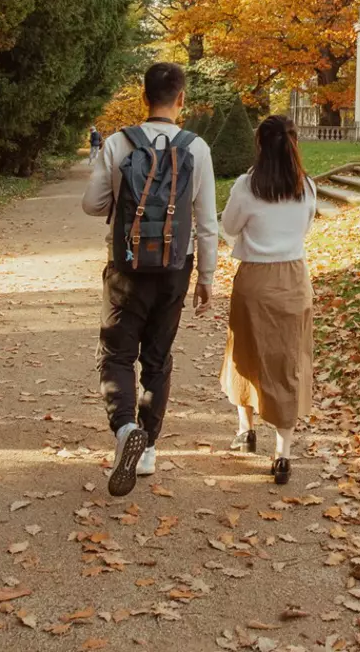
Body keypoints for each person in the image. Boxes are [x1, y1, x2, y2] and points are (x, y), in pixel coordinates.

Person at [82, 62, 217, 496]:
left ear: (144, 98)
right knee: (158, 358)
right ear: (181, 99)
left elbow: (90, 203)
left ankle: (124, 429)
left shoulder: (120, 142)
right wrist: (208, 277)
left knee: (117, 353)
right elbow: (207, 219)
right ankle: (149, 447)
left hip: (126, 264)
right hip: (176, 267)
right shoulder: (196, 148)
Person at [219, 115, 316, 485]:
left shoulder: (247, 186)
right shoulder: (306, 187)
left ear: (259, 144)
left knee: (245, 352)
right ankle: (283, 451)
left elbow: (228, 227)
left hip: (256, 278)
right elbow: (305, 228)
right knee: (287, 360)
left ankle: (245, 430)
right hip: (292, 277)